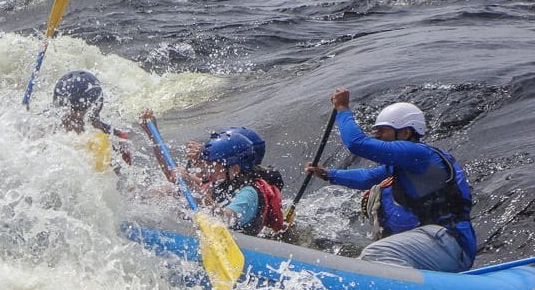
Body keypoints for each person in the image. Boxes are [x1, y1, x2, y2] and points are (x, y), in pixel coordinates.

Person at [305, 88, 476, 272]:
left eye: (383, 130)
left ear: (405, 133)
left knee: (376, 254)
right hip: (437, 243)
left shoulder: (419, 154)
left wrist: (342, 108)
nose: (377, 135)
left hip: (450, 244)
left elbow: (356, 143)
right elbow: (367, 178)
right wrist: (328, 174)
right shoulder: (405, 164)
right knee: (368, 258)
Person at [194, 130, 285, 236]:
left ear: (235, 169)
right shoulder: (221, 182)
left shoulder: (248, 194)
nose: (207, 170)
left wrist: (194, 190)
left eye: (212, 166)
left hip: (242, 245)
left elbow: (225, 218)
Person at [52, 70, 132, 173]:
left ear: (92, 109)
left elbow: (126, 184)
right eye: (64, 108)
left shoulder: (114, 142)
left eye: (75, 108)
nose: (67, 115)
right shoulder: (47, 135)